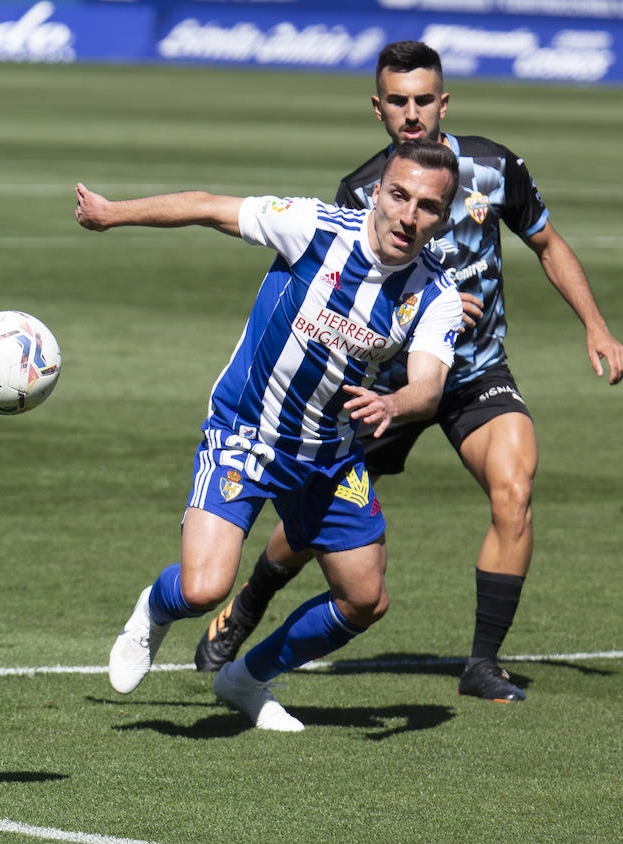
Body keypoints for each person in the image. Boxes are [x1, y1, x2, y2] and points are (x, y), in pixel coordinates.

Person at [191, 41, 623, 703]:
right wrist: (426, 321)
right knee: (310, 524)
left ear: (443, 101)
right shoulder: (361, 192)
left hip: (476, 376)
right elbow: (347, 311)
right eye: (399, 101)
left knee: (515, 484)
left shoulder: (494, 165)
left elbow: (546, 241)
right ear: (379, 108)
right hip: (381, 390)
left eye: (424, 99)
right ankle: (249, 601)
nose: (413, 113)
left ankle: (482, 663)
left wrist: (595, 323)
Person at [77, 138, 465, 731]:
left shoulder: (434, 293)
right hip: (247, 432)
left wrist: (395, 402)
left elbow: (429, 387)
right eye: (399, 195)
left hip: (329, 454)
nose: (409, 217)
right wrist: (112, 213)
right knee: (205, 589)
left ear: (443, 216)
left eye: (428, 207)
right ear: (377, 192)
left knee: (365, 599)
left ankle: (248, 677)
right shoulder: (313, 227)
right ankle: (154, 610)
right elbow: (207, 205)